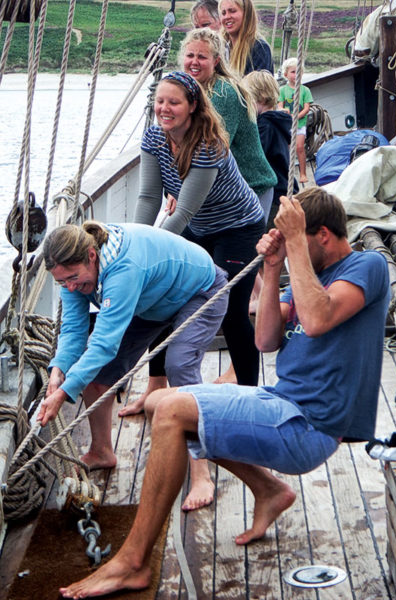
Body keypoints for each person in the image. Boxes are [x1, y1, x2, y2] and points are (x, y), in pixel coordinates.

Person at [58, 187, 390, 600]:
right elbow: (266, 339)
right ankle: (268, 489)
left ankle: (132, 563)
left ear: (322, 235)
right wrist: (271, 268)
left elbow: (319, 318)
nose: (290, 250)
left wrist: (293, 253)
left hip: (310, 426)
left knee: (174, 409)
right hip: (281, 403)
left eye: (295, 239)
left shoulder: (367, 267)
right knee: (162, 402)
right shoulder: (306, 277)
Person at [122, 72, 265, 481]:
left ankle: (248, 401)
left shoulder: (207, 145)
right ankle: (159, 385)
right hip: (200, 228)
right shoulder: (154, 138)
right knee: (170, 299)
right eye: (159, 102)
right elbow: (150, 197)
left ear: (193, 107)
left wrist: (147, 250)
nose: (164, 110)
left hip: (239, 227)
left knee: (233, 314)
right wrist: (137, 241)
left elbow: (181, 211)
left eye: (174, 103)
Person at [37, 221, 229, 483]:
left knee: (179, 365)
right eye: (61, 281)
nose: (69, 287)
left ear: (91, 256)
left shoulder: (123, 269)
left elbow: (105, 343)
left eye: (73, 278)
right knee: (98, 373)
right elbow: (73, 331)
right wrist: (58, 370)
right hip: (152, 301)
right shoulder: (72, 278)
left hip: (199, 289)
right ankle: (101, 451)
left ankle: (201, 470)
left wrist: (63, 393)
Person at [181, 27, 276, 221]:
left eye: (202, 57)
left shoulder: (223, 93)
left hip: (251, 190)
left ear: (216, 61)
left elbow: (211, 150)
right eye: (190, 55)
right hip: (221, 193)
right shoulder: (190, 92)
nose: (194, 62)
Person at [242, 69, 298, 230]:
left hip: (275, 196)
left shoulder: (264, 125)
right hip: (285, 189)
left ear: (260, 98)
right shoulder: (278, 121)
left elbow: (255, 158)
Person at [277, 57, 313, 184]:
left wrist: (296, 116)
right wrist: (283, 112)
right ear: (286, 74)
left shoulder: (305, 90)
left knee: (299, 148)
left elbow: (307, 108)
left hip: (300, 124)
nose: (296, 74)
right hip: (287, 125)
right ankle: (287, 173)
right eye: (293, 72)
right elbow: (280, 105)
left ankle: (303, 173)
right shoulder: (282, 90)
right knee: (286, 149)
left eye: (299, 71)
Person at [219, 0, 273, 76]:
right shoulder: (220, 47)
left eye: (232, 11)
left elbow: (259, 86)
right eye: (223, 13)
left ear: (246, 14)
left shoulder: (259, 48)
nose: (227, 17)